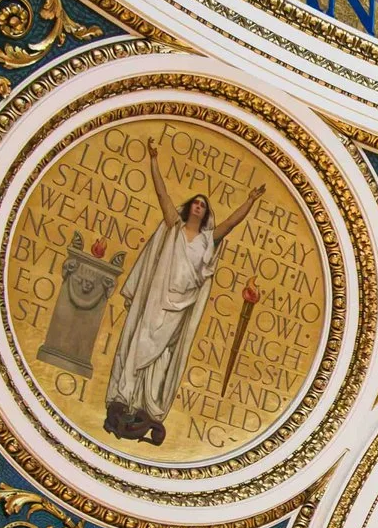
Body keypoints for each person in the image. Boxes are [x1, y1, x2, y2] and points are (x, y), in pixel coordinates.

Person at [105, 135, 266, 445]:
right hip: (157, 299)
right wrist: (153, 159)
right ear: (189, 207)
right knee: (139, 343)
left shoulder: (208, 240)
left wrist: (250, 200)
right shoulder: (174, 227)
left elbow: (231, 223)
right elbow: (162, 192)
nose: (198, 206)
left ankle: (145, 405)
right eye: (196, 202)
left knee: (163, 356)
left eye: (203, 205)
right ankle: (123, 398)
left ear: (205, 213)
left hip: (180, 305)